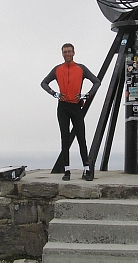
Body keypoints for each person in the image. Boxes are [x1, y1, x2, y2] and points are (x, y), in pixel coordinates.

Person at [41, 43, 101, 181]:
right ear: (62, 54)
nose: (67, 54)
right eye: (64, 52)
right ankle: (66, 170)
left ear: (74, 53)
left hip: (76, 106)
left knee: (81, 137)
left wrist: (86, 95)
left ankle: (87, 169)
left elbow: (96, 82)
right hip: (62, 107)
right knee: (65, 138)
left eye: (69, 51)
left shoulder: (81, 68)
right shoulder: (57, 69)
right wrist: (54, 94)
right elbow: (44, 83)